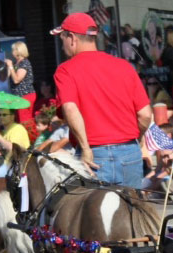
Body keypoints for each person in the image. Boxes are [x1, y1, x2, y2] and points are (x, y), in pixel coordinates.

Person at [51, 12, 152, 188]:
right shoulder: (124, 66)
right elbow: (145, 114)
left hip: (94, 155)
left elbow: (71, 110)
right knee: (133, 211)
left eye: (62, 39)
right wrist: (138, 136)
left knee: (87, 215)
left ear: (72, 38)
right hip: (129, 151)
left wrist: (86, 149)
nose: (62, 45)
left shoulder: (66, 70)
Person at [5, 41, 36, 124]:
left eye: (13, 50)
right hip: (18, 96)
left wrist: (11, 66)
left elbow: (16, 80)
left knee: (25, 121)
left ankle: (29, 136)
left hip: (25, 95)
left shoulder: (24, 63)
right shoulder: (16, 63)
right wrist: (9, 67)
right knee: (19, 120)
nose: (12, 52)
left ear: (18, 51)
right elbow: (7, 76)